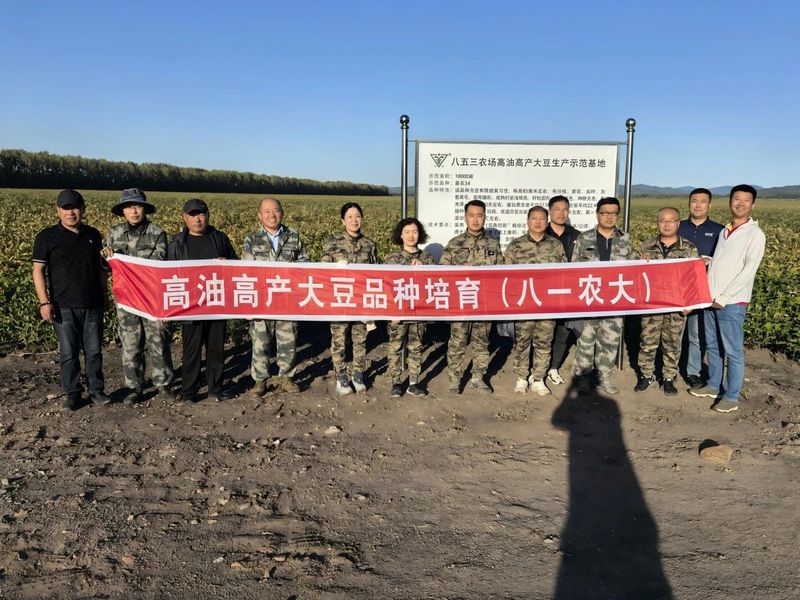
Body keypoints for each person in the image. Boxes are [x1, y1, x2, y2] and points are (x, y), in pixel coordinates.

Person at [32, 189, 112, 410]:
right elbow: (38, 271)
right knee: (69, 352)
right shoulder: (46, 237)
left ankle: (96, 391)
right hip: (62, 305)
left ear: (83, 209)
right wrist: (44, 302)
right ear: (58, 210)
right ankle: (73, 393)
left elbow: (100, 270)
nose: (71, 213)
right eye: (66, 208)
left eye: (75, 208)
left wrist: (105, 296)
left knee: (94, 351)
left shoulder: (93, 235)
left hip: (92, 303)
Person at [690, 184, 765, 413]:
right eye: (736, 199)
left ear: (752, 205)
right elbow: (727, 262)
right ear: (730, 201)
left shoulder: (755, 234)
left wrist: (724, 296)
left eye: (745, 200)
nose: (740, 203)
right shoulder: (726, 230)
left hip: (731, 302)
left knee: (732, 352)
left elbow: (749, 270)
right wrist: (709, 262)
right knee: (712, 346)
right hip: (711, 299)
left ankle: (731, 396)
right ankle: (713, 385)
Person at [101, 188, 175, 404]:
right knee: (131, 342)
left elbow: (159, 263)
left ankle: (163, 384)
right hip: (126, 299)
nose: (134, 211)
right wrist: (106, 258)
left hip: (152, 297)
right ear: (123, 211)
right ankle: (134, 387)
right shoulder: (113, 234)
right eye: (129, 207)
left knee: (158, 340)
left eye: (138, 206)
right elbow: (108, 267)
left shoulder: (157, 232)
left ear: (144, 209)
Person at [166, 198, 238, 403]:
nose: (197, 219)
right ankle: (189, 391)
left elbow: (237, 265)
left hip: (216, 303)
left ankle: (216, 388)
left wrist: (228, 263)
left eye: (201, 214)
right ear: (184, 217)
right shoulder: (177, 243)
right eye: (192, 215)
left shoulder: (219, 238)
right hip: (190, 306)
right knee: (191, 350)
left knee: (216, 349)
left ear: (207, 215)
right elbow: (167, 274)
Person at [242, 198, 308, 398]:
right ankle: (260, 380)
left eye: (276, 210)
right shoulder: (251, 239)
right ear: (259, 215)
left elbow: (305, 265)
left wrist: (296, 272)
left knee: (288, 339)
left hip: (287, 299)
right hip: (262, 299)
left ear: (282, 213)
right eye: (267, 211)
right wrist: (248, 302)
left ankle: (286, 377)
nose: (272, 215)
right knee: (260, 341)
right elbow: (245, 270)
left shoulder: (294, 237)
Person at [571, 197, 638, 395]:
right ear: (597, 214)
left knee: (610, 341)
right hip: (589, 298)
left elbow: (634, 266)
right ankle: (582, 378)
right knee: (586, 340)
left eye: (613, 213)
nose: (609, 217)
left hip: (615, 300)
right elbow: (574, 268)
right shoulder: (584, 238)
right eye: (605, 213)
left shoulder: (625, 239)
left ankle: (604, 378)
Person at [440, 199, 503, 394]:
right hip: (461, 301)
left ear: (485, 217)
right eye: (472, 215)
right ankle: (454, 379)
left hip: (484, 302)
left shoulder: (493, 244)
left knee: (482, 341)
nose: (476, 220)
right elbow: (442, 271)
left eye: (479, 215)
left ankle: (478, 377)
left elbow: (501, 271)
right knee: (457, 341)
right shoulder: (455, 243)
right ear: (465, 217)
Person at [635, 207, 699, 395]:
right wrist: (640, 262)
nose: (667, 224)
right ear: (657, 223)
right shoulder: (646, 246)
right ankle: (646, 375)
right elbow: (635, 275)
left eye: (671, 220)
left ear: (678, 223)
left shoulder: (689, 248)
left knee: (672, 343)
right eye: (663, 220)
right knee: (647, 341)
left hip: (676, 306)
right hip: (652, 305)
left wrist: (690, 303)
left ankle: (669, 377)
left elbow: (694, 279)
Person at [505, 206, 567, 396]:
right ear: (527, 221)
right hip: (524, 304)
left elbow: (565, 273)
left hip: (547, 305)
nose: (538, 222)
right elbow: (506, 276)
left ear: (547, 222)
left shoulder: (556, 245)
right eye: (534, 218)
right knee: (522, 342)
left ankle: (538, 378)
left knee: (544, 342)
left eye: (542, 219)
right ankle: (522, 378)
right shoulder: (515, 246)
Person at [320, 202, 379, 396]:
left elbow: (376, 272)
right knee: (339, 340)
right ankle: (341, 376)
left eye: (357, 216)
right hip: (340, 299)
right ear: (343, 220)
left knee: (360, 339)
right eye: (350, 217)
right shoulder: (332, 242)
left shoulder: (369, 244)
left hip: (361, 300)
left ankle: (358, 374)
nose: (354, 220)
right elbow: (322, 272)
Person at [677, 187, 724, 389]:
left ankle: (693, 372)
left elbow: (724, 260)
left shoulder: (719, 231)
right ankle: (669, 371)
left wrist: (710, 261)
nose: (698, 205)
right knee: (673, 334)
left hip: (703, 291)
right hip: (677, 289)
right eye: (694, 201)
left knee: (696, 335)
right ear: (689, 203)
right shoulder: (677, 226)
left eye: (702, 201)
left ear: (709, 205)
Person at [383, 217, 435, 398]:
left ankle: (413, 382)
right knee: (395, 347)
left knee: (416, 347)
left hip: (418, 311)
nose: (411, 236)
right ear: (401, 235)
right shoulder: (392, 259)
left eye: (414, 232)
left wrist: (424, 270)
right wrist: (390, 311)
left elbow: (434, 284)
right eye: (407, 232)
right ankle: (396, 382)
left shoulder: (427, 258)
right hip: (397, 312)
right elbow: (385, 286)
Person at [545, 195, 583, 385]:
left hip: (568, 291)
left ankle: (553, 367)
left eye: (565, 209)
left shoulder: (577, 236)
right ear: (550, 211)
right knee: (543, 331)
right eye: (557, 209)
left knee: (563, 330)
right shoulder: (541, 233)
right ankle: (538, 368)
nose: (561, 213)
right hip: (544, 291)